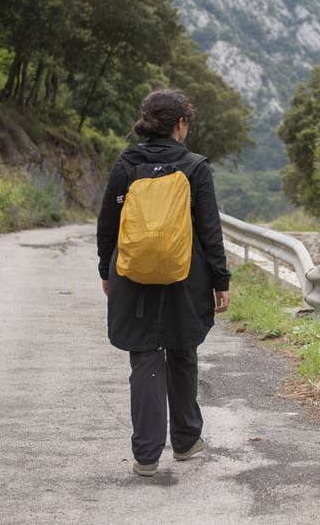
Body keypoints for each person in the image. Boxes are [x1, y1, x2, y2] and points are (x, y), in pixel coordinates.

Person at [96, 88, 231, 476]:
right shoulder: (194, 167)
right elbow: (209, 231)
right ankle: (186, 441)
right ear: (180, 123)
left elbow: (108, 224)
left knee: (144, 356)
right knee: (183, 349)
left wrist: (108, 270)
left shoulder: (126, 163)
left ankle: (146, 456)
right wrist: (220, 280)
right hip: (185, 278)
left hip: (133, 276)